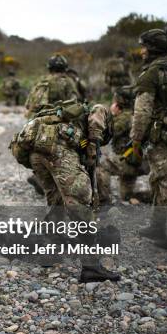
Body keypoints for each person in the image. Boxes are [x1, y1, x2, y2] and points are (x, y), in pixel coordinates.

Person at [26, 100, 121, 282]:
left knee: (56, 202)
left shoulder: (64, 117)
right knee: (79, 204)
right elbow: (97, 116)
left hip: (37, 152)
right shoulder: (101, 110)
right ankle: (91, 266)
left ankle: (49, 253)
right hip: (59, 150)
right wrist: (93, 148)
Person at [128, 29, 167, 249]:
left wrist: (135, 139)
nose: (141, 50)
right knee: (157, 179)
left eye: (144, 46)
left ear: (152, 48)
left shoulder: (151, 74)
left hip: (161, 135)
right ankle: (157, 226)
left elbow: (142, 112)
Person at [25, 54, 81, 196]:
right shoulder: (68, 82)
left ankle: (41, 177)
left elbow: (28, 105)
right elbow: (74, 105)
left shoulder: (41, 81)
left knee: (39, 151)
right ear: (64, 68)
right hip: (57, 123)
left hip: (36, 124)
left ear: (49, 68)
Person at [97, 86, 150, 203]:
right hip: (136, 161)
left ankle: (103, 199)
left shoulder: (124, 117)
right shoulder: (136, 114)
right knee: (126, 196)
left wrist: (111, 114)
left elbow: (109, 132)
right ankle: (151, 196)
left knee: (100, 166)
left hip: (126, 162)